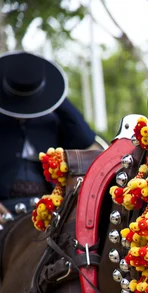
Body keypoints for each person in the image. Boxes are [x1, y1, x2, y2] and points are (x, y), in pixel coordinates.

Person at [0, 51, 96, 223]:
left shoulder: (51, 121)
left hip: (48, 207)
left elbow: (85, 140)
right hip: (4, 207)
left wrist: (56, 99)